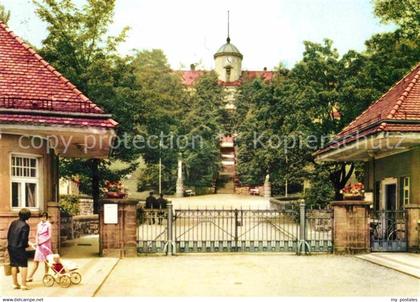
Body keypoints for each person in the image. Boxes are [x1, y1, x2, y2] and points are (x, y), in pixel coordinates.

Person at [7, 208, 32, 290]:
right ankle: (23, 285)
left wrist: (11, 243)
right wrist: (26, 245)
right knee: (23, 265)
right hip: (20, 247)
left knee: (13, 264)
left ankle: (15, 284)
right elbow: (24, 238)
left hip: (11, 246)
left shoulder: (13, 222)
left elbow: (8, 235)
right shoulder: (25, 225)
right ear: (27, 216)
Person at [27, 212, 52, 282]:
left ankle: (46, 276)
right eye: (41, 216)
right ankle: (30, 276)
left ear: (46, 217)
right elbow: (37, 234)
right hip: (39, 245)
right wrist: (37, 242)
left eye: (44, 216)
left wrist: (42, 242)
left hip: (46, 244)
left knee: (46, 261)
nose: (43, 218)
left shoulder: (48, 225)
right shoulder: (39, 225)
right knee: (36, 260)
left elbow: (49, 236)